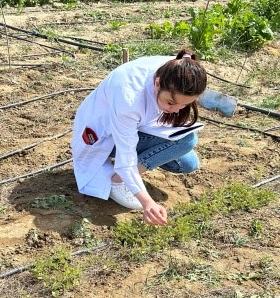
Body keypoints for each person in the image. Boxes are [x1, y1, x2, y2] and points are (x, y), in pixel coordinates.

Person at [71, 50, 207, 226]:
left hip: (139, 126)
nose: (176, 110)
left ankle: (132, 172)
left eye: (185, 105)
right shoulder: (129, 98)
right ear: (157, 83)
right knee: (187, 141)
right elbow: (125, 157)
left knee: (187, 163)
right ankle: (117, 180)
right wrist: (148, 203)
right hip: (103, 136)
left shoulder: (179, 70)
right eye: (171, 103)